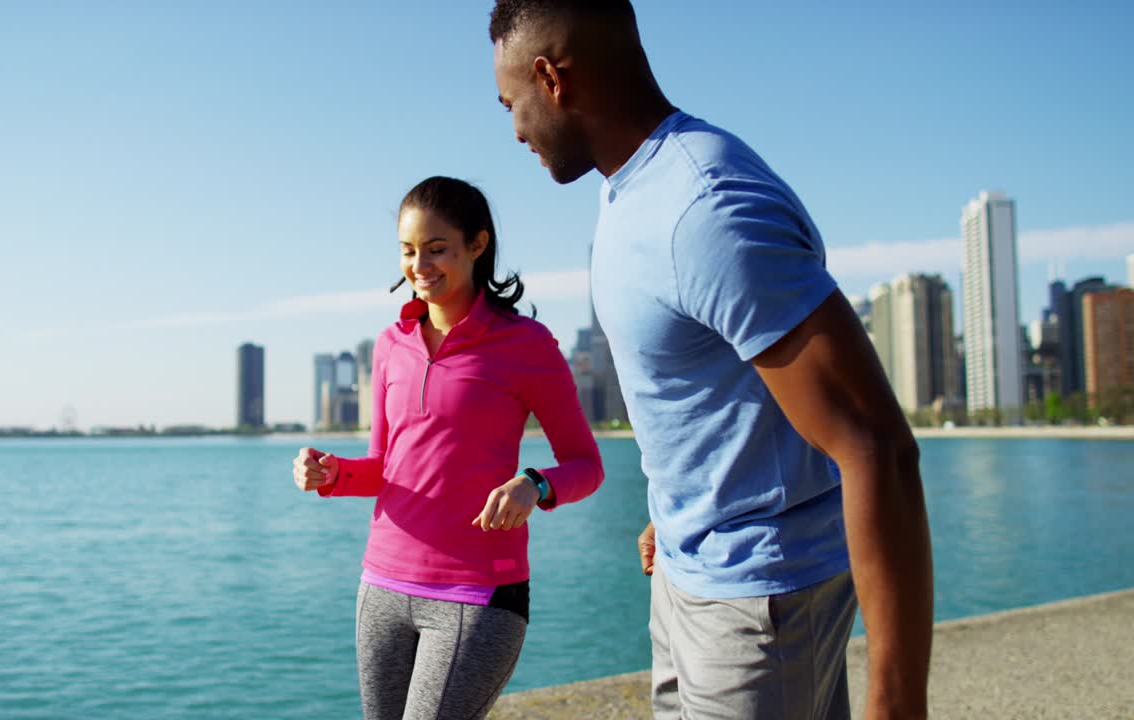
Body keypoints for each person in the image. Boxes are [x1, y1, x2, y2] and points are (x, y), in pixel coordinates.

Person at [488, 2, 933, 719]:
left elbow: (878, 446)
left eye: (512, 104)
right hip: (687, 573)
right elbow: (709, 387)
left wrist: (897, 699)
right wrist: (675, 508)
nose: (514, 130)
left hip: (758, 599)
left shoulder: (706, 206)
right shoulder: (630, 189)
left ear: (551, 77)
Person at [292, 176, 604, 720]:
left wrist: (536, 483)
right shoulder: (391, 345)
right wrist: (331, 473)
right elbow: (385, 467)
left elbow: (587, 464)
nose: (420, 266)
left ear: (477, 245)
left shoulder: (526, 345)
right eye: (409, 251)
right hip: (381, 587)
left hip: (476, 593)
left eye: (437, 250)